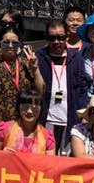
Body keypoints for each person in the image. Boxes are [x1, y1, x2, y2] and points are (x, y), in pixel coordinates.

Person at [0, 26, 45, 147]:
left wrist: (35, 69)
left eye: (15, 43)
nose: (11, 46)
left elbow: (41, 90)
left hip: (20, 125)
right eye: (6, 42)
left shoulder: (26, 63)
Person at [37, 19, 90, 155]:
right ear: (47, 38)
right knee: (46, 156)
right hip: (46, 117)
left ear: (67, 36)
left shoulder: (76, 58)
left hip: (70, 117)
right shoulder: (39, 57)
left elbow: (82, 88)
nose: (57, 41)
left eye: (60, 37)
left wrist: (84, 114)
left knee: (66, 158)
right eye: (52, 38)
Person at [0, 89, 55, 154]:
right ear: (19, 107)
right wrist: (3, 154)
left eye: (34, 108)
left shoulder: (47, 136)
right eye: (25, 107)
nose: (29, 111)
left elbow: (51, 160)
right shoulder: (4, 129)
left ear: (41, 109)